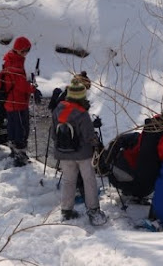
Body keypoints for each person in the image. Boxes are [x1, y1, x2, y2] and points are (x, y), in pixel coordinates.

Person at [99, 103, 163, 201]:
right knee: (146, 188)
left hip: (136, 165)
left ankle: (131, 188)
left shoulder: (153, 122)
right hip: (143, 171)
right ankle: (132, 191)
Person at [51, 78, 107, 226]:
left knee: (68, 181)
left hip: (63, 152)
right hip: (82, 154)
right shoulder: (82, 113)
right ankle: (93, 211)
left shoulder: (57, 109)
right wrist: (97, 143)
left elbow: (53, 134)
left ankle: (66, 210)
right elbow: (89, 136)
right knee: (89, 181)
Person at [0, 36, 36, 167]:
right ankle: (19, 156)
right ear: (18, 49)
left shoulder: (14, 59)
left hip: (13, 102)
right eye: (24, 50)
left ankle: (16, 153)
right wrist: (33, 89)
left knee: (14, 128)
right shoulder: (14, 63)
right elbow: (20, 85)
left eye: (27, 50)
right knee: (21, 130)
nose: (26, 53)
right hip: (16, 102)